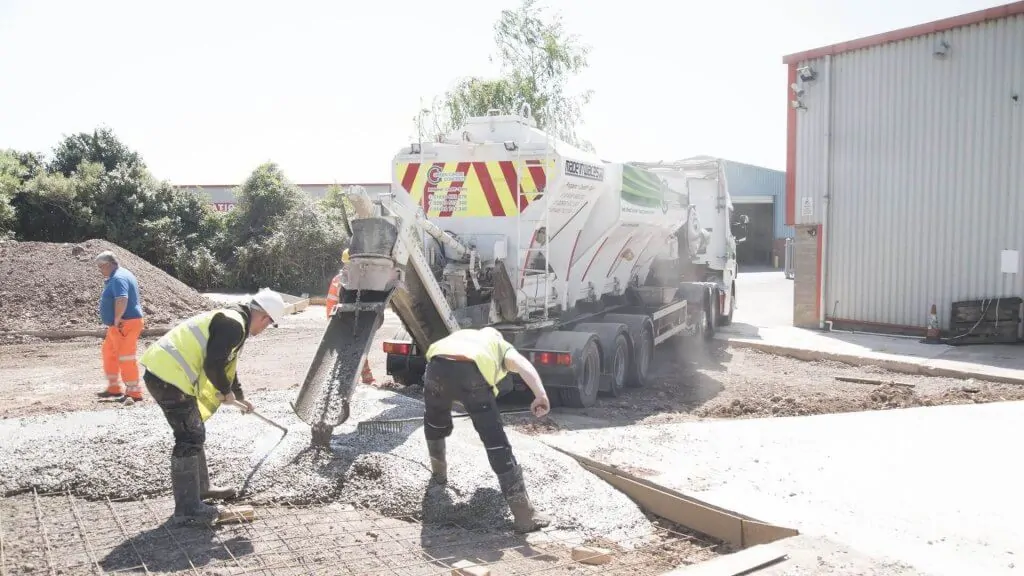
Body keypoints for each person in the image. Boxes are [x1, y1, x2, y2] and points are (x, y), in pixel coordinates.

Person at [139, 288, 286, 525]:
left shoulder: (234, 319)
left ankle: (202, 489)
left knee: (194, 431)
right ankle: (188, 510)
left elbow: (227, 364)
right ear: (264, 317)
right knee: (189, 436)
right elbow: (214, 363)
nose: (264, 329)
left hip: (166, 374)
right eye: (268, 324)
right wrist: (225, 392)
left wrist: (238, 395)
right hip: (168, 377)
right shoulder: (234, 325)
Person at [422, 327, 553, 533]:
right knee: (495, 441)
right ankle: (524, 515)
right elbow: (523, 365)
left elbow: (447, 362)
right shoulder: (500, 345)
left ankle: (438, 477)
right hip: (471, 374)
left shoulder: (464, 335)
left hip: (436, 368)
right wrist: (540, 395)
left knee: (434, 423)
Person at [95, 250, 146, 401]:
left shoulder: (118, 277)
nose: (100, 270)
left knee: (126, 357)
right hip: (118, 325)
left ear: (109, 264)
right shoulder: (120, 275)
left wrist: (117, 319)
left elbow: (122, 299)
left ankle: (134, 392)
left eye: (101, 267)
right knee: (108, 352)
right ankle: (114, 388)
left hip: (125, 324)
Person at [326, 248, 375, 385]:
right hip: (341, 321)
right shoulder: (339, 281)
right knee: (346, 352)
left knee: (358, 349)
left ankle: (366, 379)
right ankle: (348, 380)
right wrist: (332, 323)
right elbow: (331, 302)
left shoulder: (359, 279)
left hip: (354, 320)